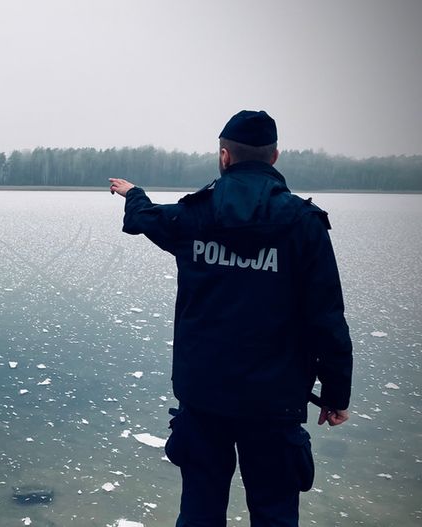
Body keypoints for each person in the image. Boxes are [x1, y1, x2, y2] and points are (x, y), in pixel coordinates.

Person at [108, 110, 353, 527]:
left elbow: (146, 220)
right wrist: (335, 395)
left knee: (200, 510)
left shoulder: (195, 215)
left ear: (225, 156)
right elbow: (326, 317)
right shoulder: (303, 224)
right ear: (274, 156)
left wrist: (134, 194)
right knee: (275, 514)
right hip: (275, 401)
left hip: (204, 396)